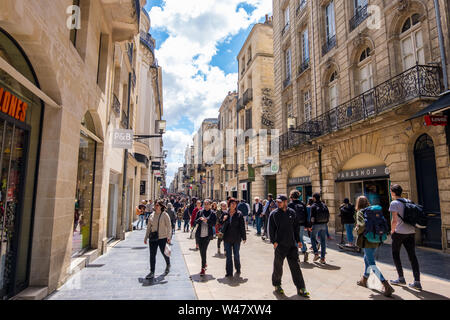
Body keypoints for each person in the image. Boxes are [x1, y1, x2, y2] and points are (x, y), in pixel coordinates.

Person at [268, 195, 310, 298]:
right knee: (278, 267)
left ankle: (301, 288)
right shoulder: (274, 214)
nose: (278, 204)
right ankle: (277, 285)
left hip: (291, 245)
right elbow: (271, 228)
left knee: (295, 267)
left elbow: (296, 228)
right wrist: (273, 241)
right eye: (277, 202)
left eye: (280, 202)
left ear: (285, 202)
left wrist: (298, 240)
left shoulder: (292, 212)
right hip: (280, 245)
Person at [355, 196, 394, 297]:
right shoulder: (373, 211)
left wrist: (357, 229)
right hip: (376, 239)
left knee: (372, 263)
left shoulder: (360, 212)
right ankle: (364, 279)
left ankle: (386, 285)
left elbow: (362, 226)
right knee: (366, 258)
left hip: (367, 240)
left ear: (358, 204)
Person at [389, 184, 422, 290]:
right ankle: (417, 281)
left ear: (393, 192)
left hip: (399, 232)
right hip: (411, 232)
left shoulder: (394, 203)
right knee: (412, 256)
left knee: (395, 254)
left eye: (391, 191)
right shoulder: (409, 201)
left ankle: (401, 278)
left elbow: (394, 220)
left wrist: (392, 231)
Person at [144, 200, 172, 280]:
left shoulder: (165, 215)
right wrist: (146, 237)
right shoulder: (151, 215)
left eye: (157, 205)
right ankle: (152, 272)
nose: (155, 206)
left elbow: (169, 226)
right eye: (155, 205)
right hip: (153, 238)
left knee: (164, 253)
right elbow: (149, 227)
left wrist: (169, 237)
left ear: (161, 206)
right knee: (152, 255)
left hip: (162, 238)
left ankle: (168, 264)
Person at [221, 198, 246, 277]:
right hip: (227, 238)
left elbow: (242, 226)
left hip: (236, 238)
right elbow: (219, 222)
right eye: (232, 203)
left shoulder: (239, 214)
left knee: (236, 255)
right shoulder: (225, 213)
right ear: (229, 204)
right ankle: (229, 272)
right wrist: (223, 219)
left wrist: (244, 237)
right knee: (228, 256)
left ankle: (238, 268)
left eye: (235, 204)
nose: (233, 205)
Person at [195, 199, 217, 276]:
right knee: (201, 251)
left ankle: (202, 268)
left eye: (207, 204)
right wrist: (200, 220)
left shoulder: (213, 213)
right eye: (204, 204)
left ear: (210, 205)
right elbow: (196, 221)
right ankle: (204, 263)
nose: (206, 205)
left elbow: (214, 223)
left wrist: (207, 221)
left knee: (203, 250)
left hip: (207, 235)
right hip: (199, 234)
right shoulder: (200, 212)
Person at [288, 190, 309, 262]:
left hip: (293, 225)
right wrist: (306, 225)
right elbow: (306, 215)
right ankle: (304, 251)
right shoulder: (302, 204)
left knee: (295, 239)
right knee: (300, 238)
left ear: (291, 196)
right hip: (302, 224)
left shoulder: (290, 205)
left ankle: (297, 255)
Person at [310, 193, 329, 264]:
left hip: (316, 224)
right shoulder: (324, 205)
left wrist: (310, 225)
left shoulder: (313, 206)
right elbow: (328, 215)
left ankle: (316, 253)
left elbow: (312, 218)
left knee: (312, 237)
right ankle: (323, 258)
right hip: (324, 224)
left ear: (314, 198)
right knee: (323, 241)